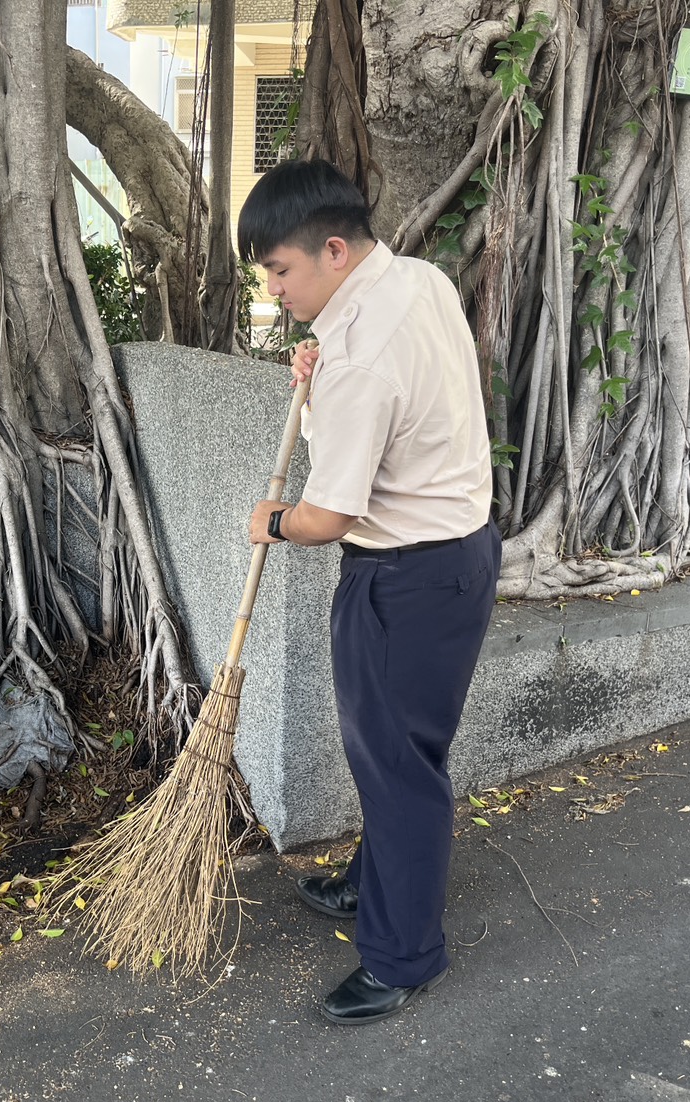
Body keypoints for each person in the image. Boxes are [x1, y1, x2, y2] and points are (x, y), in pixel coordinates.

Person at [241, 159, 501, 1026]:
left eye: (280, 270)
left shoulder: (357, 358)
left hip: (401, 580)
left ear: (334, 249)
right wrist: (317, 389)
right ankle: (368, 884)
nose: (274, 289)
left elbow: (328, 516)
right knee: (393, 754)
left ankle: (400, 958)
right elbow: (393, 414)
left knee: (399, 772)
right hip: (459, 555)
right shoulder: (415, 281)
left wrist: (271, 522)